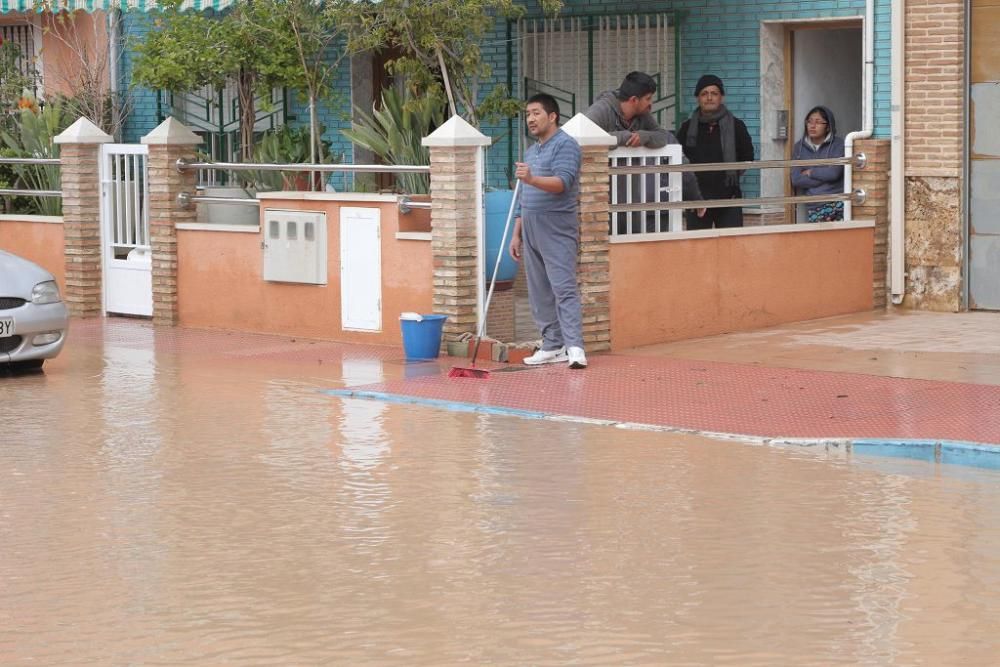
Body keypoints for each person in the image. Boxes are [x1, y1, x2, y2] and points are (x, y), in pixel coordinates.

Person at [509, 93, 587, 369]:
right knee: (539, 290)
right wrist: (516, 233)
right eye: (527, 114)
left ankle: (574, 346)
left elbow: (562, 182)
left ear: (552, 116)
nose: (530, 119)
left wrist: (531, 177)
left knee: (563, 287)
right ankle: (553, 344)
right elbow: (523, 196)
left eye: (536, 113)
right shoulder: (532, 151)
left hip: (556, 226)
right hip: (530, 225)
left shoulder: (566, 145)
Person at [584, 71, 704, 224]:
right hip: (599, 202)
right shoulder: (601, 110)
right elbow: (581, 139)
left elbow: (663, 136)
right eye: (648, 98)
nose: (651, 103)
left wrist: (645, 136)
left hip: (633, 201)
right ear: (634, 100)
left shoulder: (642, 114)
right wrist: (624, 137)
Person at [675, 74, 754, 230]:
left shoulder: (737, 126)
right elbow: (679, 159)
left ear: (721, 97)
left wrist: (729, 178)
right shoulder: (687, 128)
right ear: (698, 98)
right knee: (698, 249)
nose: (709, 98)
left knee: (731, 247)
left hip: (729, 199)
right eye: (704, 94)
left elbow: (747, 158)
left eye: (714, 93)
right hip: (697, 200)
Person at [790, 106, 845, 222]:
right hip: (814, 206)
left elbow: (834, 173)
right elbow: (796, 179)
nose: (812, 125)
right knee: (818, 239)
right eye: (809, 121)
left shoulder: (839, 145)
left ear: (828, 127)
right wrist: (824, 174)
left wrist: (811, 172)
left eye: (818, 122)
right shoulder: (799, 148)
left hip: (837, 202)